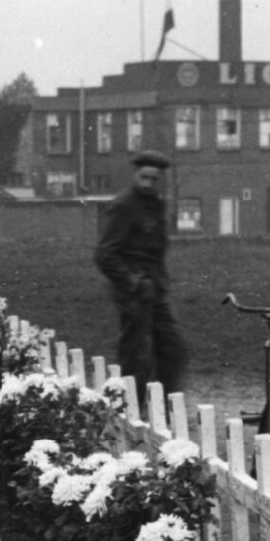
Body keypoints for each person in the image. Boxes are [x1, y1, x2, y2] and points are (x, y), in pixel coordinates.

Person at [94, 149, 189, 399]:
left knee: (173, 347)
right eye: (143, 177)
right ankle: (129, 408)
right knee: (137, 355)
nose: (148, 183)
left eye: (153, 179)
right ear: (135, 175)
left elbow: (156, 250)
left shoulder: (157, 206)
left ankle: (165, 406)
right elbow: (104, 255)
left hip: (154, 288)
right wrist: (133, 282)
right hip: (132, 292)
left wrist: (158, 282)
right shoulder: (124, 206)